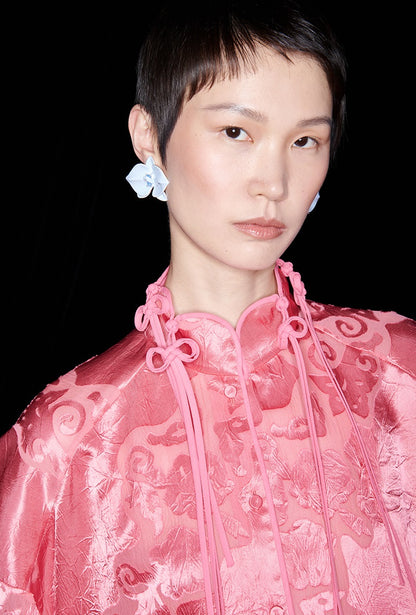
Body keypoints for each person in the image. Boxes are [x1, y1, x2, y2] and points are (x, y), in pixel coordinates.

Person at [1, 1, 415, 614]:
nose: (273, 182)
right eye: (236, 133)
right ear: (149, 137)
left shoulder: (400, 372)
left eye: (305, 140)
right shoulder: (65, 443)